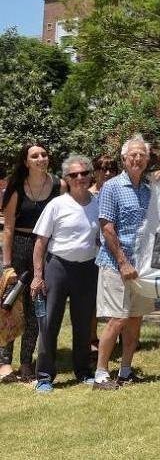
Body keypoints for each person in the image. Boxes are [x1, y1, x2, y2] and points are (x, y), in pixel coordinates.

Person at [31, 155, 100, 392]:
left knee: (83, 323)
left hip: (88, 269)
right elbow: (40, 242)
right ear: (66, 179)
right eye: (74, 175)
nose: (80, 178)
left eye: (84, 173)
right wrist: (38, 276)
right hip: (58, 267)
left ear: (90, 175)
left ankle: (83, 371)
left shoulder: (99, 203)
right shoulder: (56, 205)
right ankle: (44, 376)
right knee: (49, 322)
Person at [93, 134, 155, 390]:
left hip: (143, 265)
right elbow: (106, 226)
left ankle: (126, 370)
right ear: (124, 158)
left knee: (135, 318)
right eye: (133, 154)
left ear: (147, 159)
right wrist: (122, 262)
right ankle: (101, 374)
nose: (138, 158)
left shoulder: (150, 188)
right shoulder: (112, 187)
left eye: (142, 155)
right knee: (117, 319)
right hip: (116, 263)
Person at [0, 143, 65, 383]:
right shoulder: (16, 188)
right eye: (34, 156)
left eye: (44, 155)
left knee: (37, 306)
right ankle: (5, 362)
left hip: (47, 249)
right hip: (19, 246)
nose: (40, 159)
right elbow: (7, 229)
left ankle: (27, 362)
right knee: (11, 305)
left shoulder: (59, 186)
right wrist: (7, 265)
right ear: (26, 162)